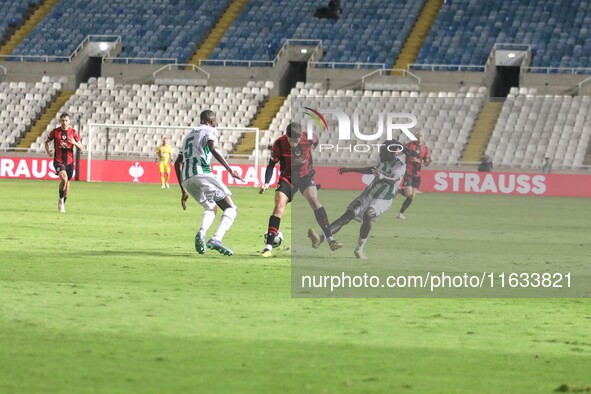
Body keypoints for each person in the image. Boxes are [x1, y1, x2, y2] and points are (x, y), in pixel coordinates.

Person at [308, 140, 406, 259]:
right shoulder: (382, 158)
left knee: (369, 214)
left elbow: (394, 179)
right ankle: (320, 238)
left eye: (383, 153)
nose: (380, 155)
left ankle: (359, 249)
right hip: (368, 194)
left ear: (392, 153)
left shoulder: (400, 165)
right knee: (346, 217)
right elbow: (372, 170)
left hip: (383, 199)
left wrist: (381, 176)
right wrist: (350, 169)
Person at [259, 122, 342, 258]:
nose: (294, 144)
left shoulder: (310, 139)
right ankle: (268, 247)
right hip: (287, 178)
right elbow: (271, 165)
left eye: (296, 141)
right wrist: (266, 183)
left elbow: (315, 144)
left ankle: (331, 240)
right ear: (287, 136)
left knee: (315, 201)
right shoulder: (279, 144)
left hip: (305, 177)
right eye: (291, 140)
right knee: (279, 207)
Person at [174, 110, 243, 256]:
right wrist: (230, 170)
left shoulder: (189, 136)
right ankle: (216, 239)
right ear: (211, 120)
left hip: (187, 179)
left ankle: (202, 233)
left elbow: (177, 163)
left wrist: (183, 190)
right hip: (203, 174)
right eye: (215, 120)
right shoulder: (210, 130)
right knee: (231, 208)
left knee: (211, 208)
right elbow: (212, 148)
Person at [44, 112, 83, 213]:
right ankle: (60, 200)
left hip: (69, 162)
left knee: (67, 183)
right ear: (60, 121)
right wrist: (48, 151)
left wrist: (74, 142)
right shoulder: (55, 132)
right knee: (64, 179)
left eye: (66, 121)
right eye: (63, 121)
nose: (64, 123)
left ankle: (63, 202)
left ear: (69, 121)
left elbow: (81, 147)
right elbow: (46, 142)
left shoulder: (73, 132)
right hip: (58, 161)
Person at [396, 130, 432, 219]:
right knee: (408, 194)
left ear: (424, 137)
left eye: (421, 136)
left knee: (412, 196)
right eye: (418, 136)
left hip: (417, 175)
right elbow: (399, 154)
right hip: (408, 172)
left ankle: (400, 213)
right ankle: (397, 191)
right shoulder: (409, 145)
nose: (420, 137)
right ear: (416, 137)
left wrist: (430, 161)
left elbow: (426, 164)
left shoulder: (425, 148)